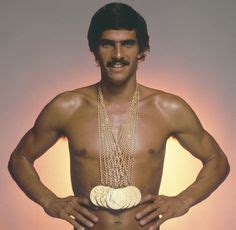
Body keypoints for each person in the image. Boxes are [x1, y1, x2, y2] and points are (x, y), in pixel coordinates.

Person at [8, 2, 230, 230]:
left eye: (127, 44)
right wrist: (49, 201)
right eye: (107, 44)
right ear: (95, 49)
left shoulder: (167, 108)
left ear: (141, 50)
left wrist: (183, 201)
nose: (118, 55)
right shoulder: (68, 107)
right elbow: (20, 158)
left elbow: (218, 161)